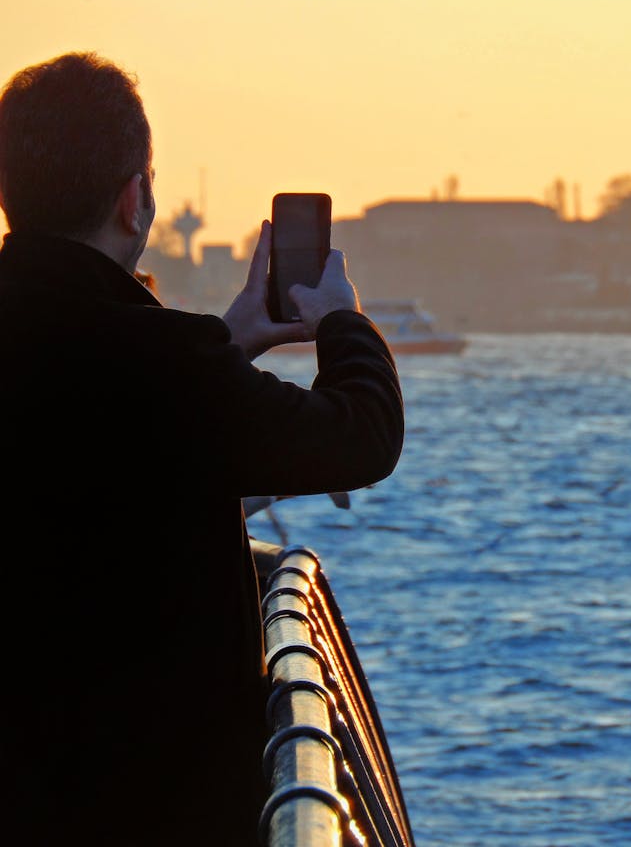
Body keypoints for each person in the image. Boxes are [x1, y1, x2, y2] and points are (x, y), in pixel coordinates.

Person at [0, 51, 404, 846]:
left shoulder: (154, 360)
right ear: (135, 198)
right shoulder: (163, 363)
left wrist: (228, 341)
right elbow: (361, 437)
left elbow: (102, 456)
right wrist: (340, 324)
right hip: (152, 804)